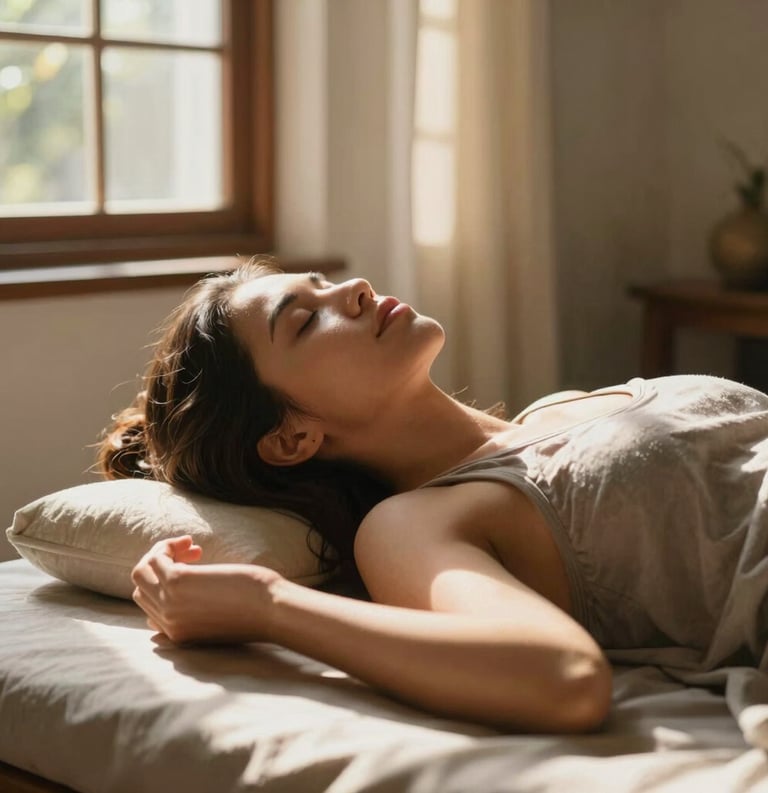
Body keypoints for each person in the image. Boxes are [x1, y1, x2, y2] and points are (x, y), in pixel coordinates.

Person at [99, 258, 768, 735]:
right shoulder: (416, 521)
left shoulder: (562, 407)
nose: (355, 290)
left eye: (327, 284)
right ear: (293, 435)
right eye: (305, 320)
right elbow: (564, 678)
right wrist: (268, 604)